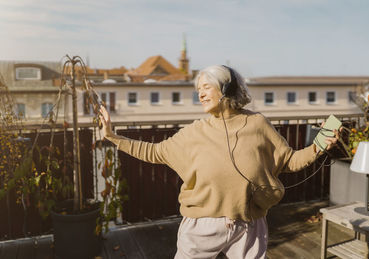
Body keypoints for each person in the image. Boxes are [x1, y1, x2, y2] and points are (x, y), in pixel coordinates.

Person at [99, 65, 339, 259]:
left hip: (248, 223)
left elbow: (290, 160)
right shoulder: (194, 132)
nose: (200, 94)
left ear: (226, 88)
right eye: (198, 89)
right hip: (202, 225)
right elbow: (153, 152)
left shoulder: (257, 124)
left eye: (206, 87)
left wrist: (319, 146)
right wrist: (113, 136)